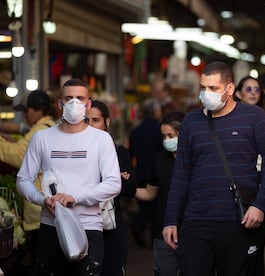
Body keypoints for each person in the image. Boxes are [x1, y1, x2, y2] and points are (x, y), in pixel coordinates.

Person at [162, 61, 265, 276]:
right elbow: (181, 174)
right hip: (196, 220)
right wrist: (171, 219)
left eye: (213, 88)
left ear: (230, 89)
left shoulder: (254, 117)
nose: (206, 94)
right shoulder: (191, 122)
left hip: (238, 221)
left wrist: (261, 205)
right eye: (203, 87)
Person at [16, 78, 121, 275]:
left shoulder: (101, 139)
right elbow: (22, 180)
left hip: (89, 227)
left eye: (80, 98)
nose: (74, 103)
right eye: (69, 98)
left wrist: (76, 197)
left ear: (88, 104)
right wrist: (42, 199)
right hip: (50, 226)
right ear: (60, 103)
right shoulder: (42, 138)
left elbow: (114, 183)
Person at [233, 75, 265, 275]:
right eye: (248, 89)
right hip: (237, 185)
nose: (253, 92)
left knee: (256, 247)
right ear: (238, 93)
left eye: (257, 89)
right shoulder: (229, 122)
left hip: (263, 184)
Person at [0, 89, 56, 271]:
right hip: (42, 207)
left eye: (26, 111)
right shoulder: (45, 128)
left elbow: (18, 155)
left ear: (38, 110)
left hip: (40, 210)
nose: (23, 115)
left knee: (41, 265)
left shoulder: (40, 131)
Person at [86, 100, 137, 276]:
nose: (90, 125)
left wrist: (108, 180)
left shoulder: (118, 151)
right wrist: (111, 178)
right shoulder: (77, 153)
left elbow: (130, 188)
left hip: (111, 227)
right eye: (86, 120)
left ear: (107, 122)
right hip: (81, 226)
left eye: (95, 120)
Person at [135, 111, 185, 276]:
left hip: (191, 231)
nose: (166, 141)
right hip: (163, 232)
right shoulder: (159, 159)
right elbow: (150, 192)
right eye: (163, 136)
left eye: (170, 135)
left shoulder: (197, 159)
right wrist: (123, 186)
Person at [128, 97, 163, 247]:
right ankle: (151, 235)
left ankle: (139, 225)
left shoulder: (136, 131)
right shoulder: (160, 130)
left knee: (144, 205)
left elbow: (131, 154)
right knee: (155, 207)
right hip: (156, 173)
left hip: (140, 172)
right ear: (155, 112)